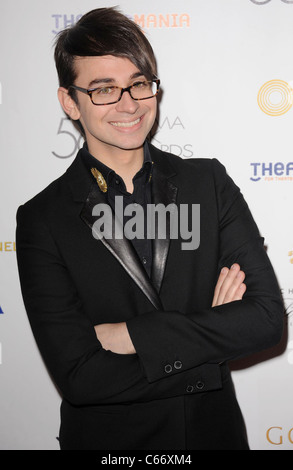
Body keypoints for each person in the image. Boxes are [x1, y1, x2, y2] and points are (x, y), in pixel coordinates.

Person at [16, 7, 283, 451]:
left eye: (139, 84)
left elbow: (266, 320)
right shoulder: (43, 218)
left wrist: (129, 335)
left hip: (214, 439)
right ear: (70, 101)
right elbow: (80, 377)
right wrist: (212, 347)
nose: (129, 104)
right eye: (104, 90)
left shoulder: (208, 183)